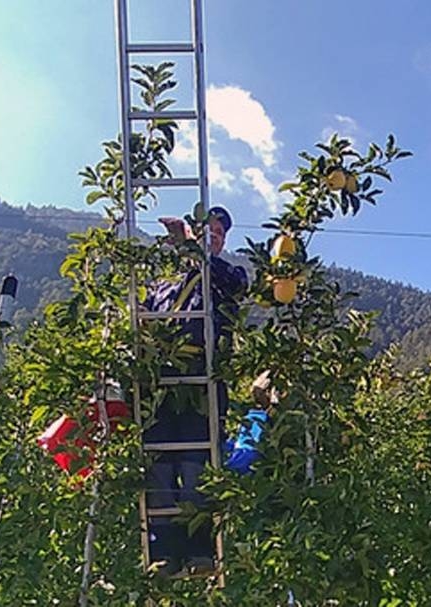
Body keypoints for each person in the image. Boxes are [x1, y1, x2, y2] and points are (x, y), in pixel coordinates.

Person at [142, 206, 248, 574]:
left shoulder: (226, 276)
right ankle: (165, 552)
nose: (213, 236)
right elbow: (141, 320)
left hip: (204, 382)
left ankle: (200, 550)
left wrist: (191, 245)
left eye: (219, 232)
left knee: (196, 464)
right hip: (161, 384)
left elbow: (237, 287)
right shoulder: (161, 286)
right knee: (159, 465)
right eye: (208, 229)